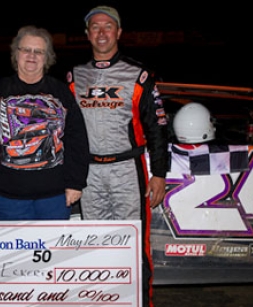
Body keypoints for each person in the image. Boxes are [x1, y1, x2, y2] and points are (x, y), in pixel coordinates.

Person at [66, 6, 169, 307]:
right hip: (89, 173)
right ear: (87, 34)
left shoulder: (139, 75)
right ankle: (102, 301)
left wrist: (159, 174)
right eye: (95, 27)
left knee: (133, 243)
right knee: (94, 244)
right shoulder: (75, 76)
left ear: (119, 32)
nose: (101, 32)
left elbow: (158, 127)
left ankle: (140, 303)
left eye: (107, 26)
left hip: (128, 169)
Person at [0, 25, 89, 220]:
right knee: (13, 250)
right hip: (8, 197)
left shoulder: (61, 93)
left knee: (54, 250)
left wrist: (75, 183)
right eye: (26, 50)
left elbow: (77, 141)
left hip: (55, 197)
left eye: (38, 51)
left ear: (47, 57)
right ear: (16, 54)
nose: (32, 56)